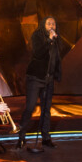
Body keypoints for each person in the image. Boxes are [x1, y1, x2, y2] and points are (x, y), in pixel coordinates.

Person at [17, 16, 62, 149]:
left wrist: (57, 74)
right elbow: (38, 53)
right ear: (43, 25)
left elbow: (56, 58)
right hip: (35, 78)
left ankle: (46, 138)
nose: (52, 26)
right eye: (49, 23)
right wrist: (49, 40)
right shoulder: (37, 36)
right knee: (30, 107)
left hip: (48, 80)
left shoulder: (56, 40)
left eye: (54, 23)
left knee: (46, 110)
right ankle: (21, 136)